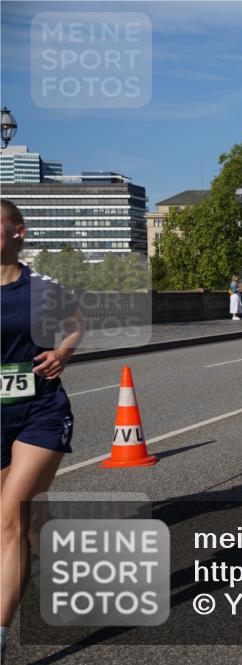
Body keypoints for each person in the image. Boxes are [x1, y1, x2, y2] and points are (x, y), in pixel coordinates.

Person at [1, 199, 84, 658]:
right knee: (25, 523)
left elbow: (76, 323)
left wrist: (63, 352)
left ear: (19, 232)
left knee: (10, 516)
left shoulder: (41, 286)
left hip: (41, 412)